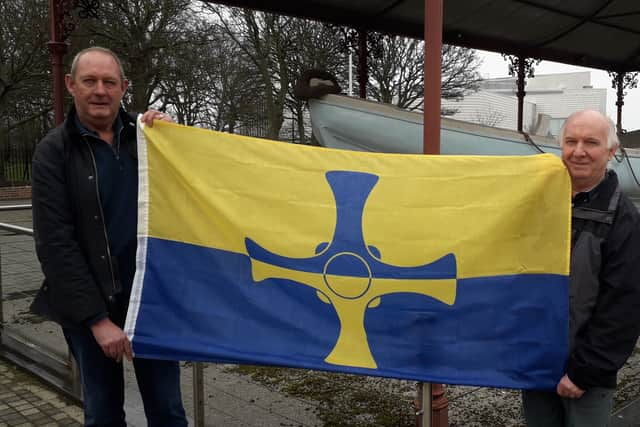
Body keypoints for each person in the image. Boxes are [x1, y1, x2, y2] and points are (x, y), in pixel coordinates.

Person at [30, 46, 187, 427]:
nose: (100, 90)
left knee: (168, 411)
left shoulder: (148, 140)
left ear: (123, 88)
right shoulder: (53, 152)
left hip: (149, 304)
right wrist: (97, 320)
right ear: (71, 85)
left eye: (109, 82)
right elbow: (55, 245)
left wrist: (175, 139)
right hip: (89, 310)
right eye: (90, 81)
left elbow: (189, 196)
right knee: (102, 415)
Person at [522, 109, 640, 426]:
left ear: (611, 151)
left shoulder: (625, 219)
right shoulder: (539, 202)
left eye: (591, 142)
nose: (579, 151)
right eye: (570, 141)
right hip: (537, 361)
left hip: (586, 376)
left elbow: (624, 308)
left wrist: (583, 372)